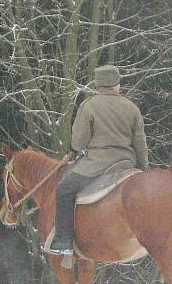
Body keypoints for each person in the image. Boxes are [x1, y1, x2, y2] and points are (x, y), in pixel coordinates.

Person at [49, 65, 149, 255]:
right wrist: (143, 169)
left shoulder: (89, 105)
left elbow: (78, 142)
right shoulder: (132, 108)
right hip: (126, 164)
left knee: (64, 189)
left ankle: (64, 241)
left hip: (97, 165)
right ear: (116, 85)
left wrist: (76, 148)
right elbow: (140, 144)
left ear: (99, 85)